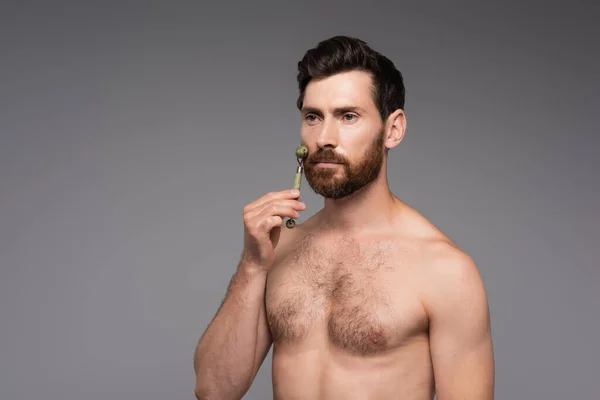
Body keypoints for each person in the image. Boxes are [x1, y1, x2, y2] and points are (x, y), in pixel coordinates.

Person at [193, 35, 495, 400]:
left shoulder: (444, 270)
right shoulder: (278, 250)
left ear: (393, 129)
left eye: (348, 116)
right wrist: (252, 265)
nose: (325, 137)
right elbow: (213, 390)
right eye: (313, 117)